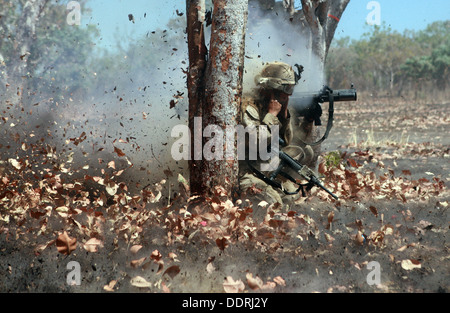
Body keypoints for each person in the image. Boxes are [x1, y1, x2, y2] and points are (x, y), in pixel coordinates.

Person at [239, 61, 315, 206]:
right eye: (285, 89)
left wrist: (284, 116)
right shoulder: (249, 107)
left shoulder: (275, 107)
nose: (287, 95)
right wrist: (272, 115)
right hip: (247, 171)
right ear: (271, 88)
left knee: (291, 197)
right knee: (273, 202)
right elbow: (257, 141)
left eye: (291, 89)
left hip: (267, 168)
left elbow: (286, 142)